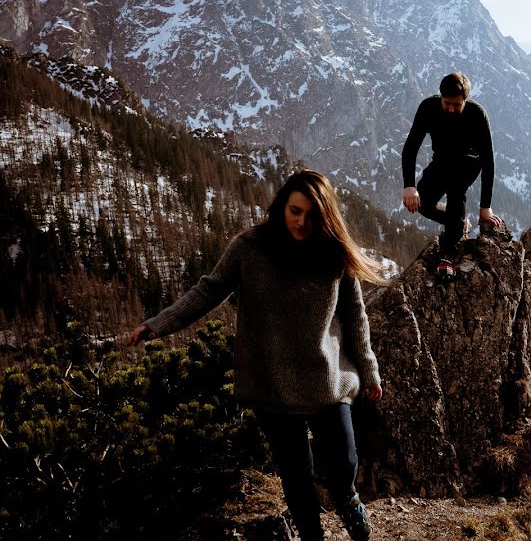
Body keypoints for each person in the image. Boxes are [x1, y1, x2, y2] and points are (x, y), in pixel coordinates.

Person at [129, 169, 384, 541]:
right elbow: (208, 291)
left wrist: (370, 371)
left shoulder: (334, 254)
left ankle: (347, 500)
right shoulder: (250, 248)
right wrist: (158, 324)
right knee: (296, 477)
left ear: (326, 216)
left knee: (344, 462)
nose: (301, 221)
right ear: (282, 207)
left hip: (327, 379)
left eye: (312, 215)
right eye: (295, 211)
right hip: (271, 385)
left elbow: (355, 317)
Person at [401, 72, 504, 279]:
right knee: (421, 202)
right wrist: (409, 186)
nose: (450, 109)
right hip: (441, 160)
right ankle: (457, 223)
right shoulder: (428, 108)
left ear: (465, 100)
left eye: (456, 105)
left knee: (456, 191)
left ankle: (447, 254)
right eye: (447, 103)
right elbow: (411, 146)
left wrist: (485, 207)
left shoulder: (477, 115)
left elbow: (488, 161)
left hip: (468, 162)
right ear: (441, 97)